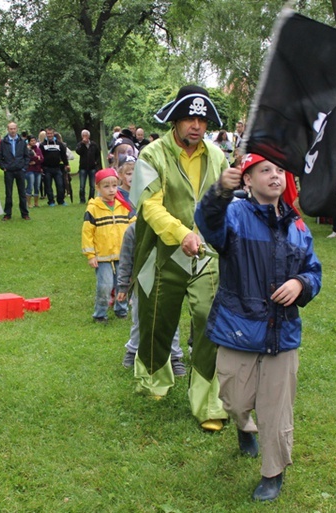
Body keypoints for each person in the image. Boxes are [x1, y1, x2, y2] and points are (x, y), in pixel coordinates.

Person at [194, 153, 321, 502]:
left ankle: (272, 472)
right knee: (234, 399)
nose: (275, 176)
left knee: (276, 409)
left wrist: (301, 284)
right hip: (239, 327)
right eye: (265, 170)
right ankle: (243, 426)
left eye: (280, 170)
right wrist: (220, 189)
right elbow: (206, 220)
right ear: (247, 180)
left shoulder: (297, 226)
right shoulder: (233, 215)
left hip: (283, 333)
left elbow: (314, 271)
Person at [129, 84, 229, 431]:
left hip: (207, 254)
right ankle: (154, 379)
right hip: (161, 253)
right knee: (157, 317)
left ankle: (208, 400)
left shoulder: (217, 156)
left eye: (202, 119)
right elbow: (149, 206)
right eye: (188, 118)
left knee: (208, 318)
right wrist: (180, 233)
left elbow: (226, 201)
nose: (196, 126)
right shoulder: (151, 155)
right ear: (175, 119)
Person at [117, 222, 185, 376]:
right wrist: (122, 286)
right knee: (139, 319)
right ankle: (133, 351)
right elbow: (126, 260)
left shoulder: (173, 226)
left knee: (170, 319)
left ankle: (174, 357)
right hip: (141, 283)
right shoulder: (134, 230)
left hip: (168, 282)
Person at [81, 168, 136, 322]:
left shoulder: (124, 206)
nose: (111, 190)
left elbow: (134, 227)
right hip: (102, 256)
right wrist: (90, 255)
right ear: (97, 188)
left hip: (122, 254)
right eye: (106, 186)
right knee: (105, 285)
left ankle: (121, 310)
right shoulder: (93, 208)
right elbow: (87, 232)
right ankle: (100, 313)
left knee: (123, 283)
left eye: (114, 185)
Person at [0, 122, 31, 221]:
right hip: (9, 171)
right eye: (11, 129)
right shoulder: (3, 142)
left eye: (14, 128)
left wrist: (24, 167)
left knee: (22, 193)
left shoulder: (21, 141)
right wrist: (3, 167)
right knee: (8, 193)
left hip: (20, 170)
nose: (12, 130)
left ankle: (25, 213)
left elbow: (26, 156)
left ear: (17, 129)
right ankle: (7, 214)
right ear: (8, 129)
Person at [40, 127, 70, 206]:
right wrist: (40, 167)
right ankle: (51, 201)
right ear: (46, 134)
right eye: (48, 134)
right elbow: (40, 157)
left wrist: (67, 164)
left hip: (57, 168)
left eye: (51, 133)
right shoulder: (42, 145)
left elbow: (63, 155)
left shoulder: (59, 144)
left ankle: (61, 200)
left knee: (60, 185)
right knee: (48, 186)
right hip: (46, 168)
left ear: (53, 134)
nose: (49, 135)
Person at [76, 129, 102, 203]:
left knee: (92, 186)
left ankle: (91, 198)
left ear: (89, 136)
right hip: (83, 168)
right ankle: (82, 200)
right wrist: (82, 144)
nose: (85, 137)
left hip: (92, 168)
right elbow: (78, 152)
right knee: (82, 186)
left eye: (86, 135)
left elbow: (98, 154)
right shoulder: (80, 144)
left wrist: (96, 162)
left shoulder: (93, 144)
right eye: (83, 136)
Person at [26, 135, 43, 208]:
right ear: (29, 142)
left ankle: (36, 203)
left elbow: (42, 159)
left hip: (37, 170)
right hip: (30, 170)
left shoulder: (38, 149)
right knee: (30, 185)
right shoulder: (26, 149)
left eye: (34, 141)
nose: (33, 142)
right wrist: (37, 157)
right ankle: (28, 203)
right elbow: (28, 158)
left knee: (37, 186)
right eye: (31, 141)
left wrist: (36, 160)